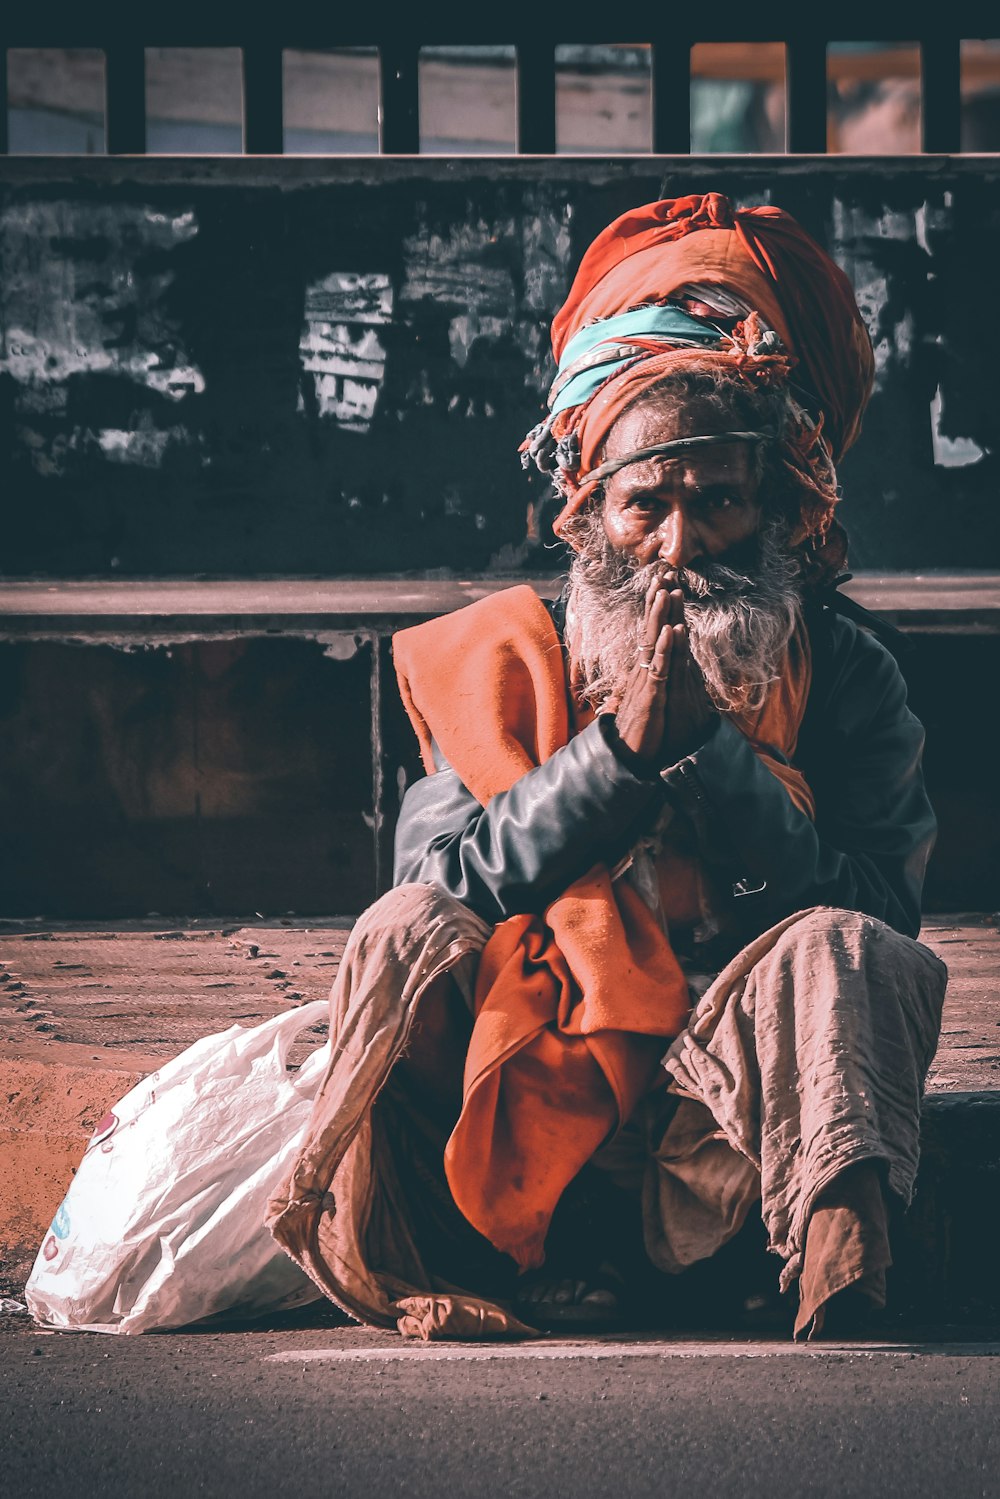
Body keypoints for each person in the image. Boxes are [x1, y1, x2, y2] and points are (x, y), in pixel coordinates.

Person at [268, 192, 947, 1342]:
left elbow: (883, 910)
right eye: (646, 505)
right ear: (585, 514)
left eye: (718, 501)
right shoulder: (507, 654)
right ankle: (476, 1250)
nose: (679, 547)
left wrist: (717, 766)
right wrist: (619, 755)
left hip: (729, 1091)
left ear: (777, 509)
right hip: (538, 1078)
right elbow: (447, 877)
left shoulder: (846, 671)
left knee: (842, 947)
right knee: (401, 924)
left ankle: (807, 1256)